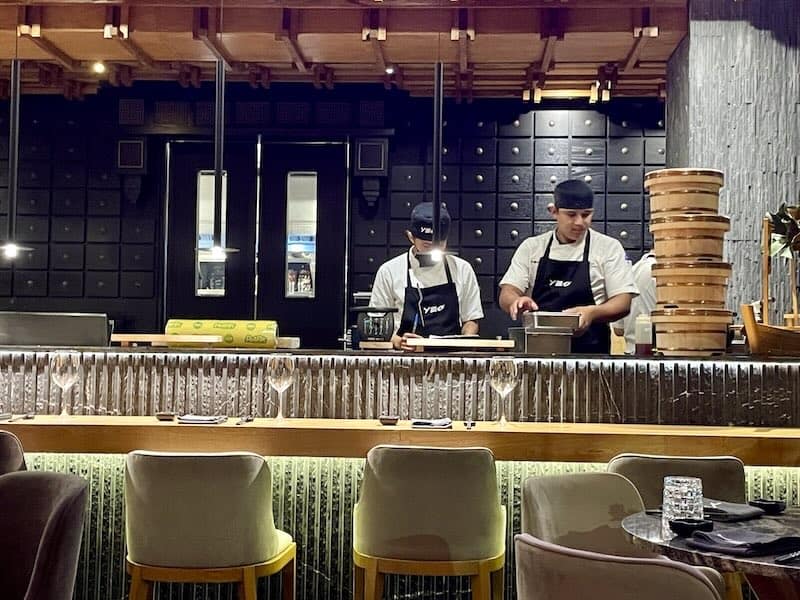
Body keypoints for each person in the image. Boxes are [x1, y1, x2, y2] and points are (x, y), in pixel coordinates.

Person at [498, 179, 637, 354]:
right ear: (553, 211)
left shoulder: (608, 248)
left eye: (586, 214)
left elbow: (623, 302)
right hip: (538, 353)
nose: (579, 222)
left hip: (590, 357)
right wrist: (516, 301)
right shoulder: (532, 247)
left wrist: (591, 312)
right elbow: (507, 293)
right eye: (571, 215)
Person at [370, 202, 483, 351]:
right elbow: (375, 324)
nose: (433, 251)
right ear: (411, 237)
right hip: (403, 361)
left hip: (450, 362)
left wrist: (465, 342)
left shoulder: (462, 269)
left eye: (439, 245)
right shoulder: (389, 272)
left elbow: (471, 320)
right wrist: (397, 340)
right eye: (426, 246)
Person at [613, 251, 656, 354]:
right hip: (656, 359)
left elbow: (618, 329)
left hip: (631, 356)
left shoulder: (632, 270)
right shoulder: (665, 275)